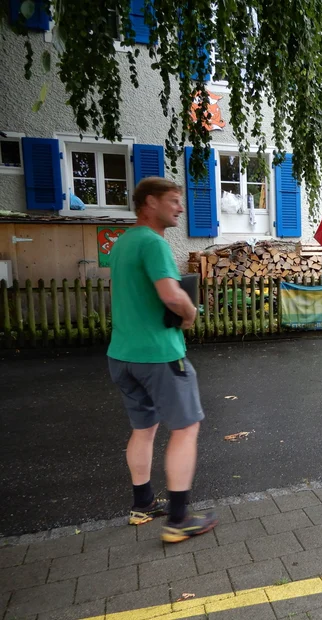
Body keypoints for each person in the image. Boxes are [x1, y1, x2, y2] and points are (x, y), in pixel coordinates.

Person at [107, 177, 217, 543]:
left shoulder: (123, 243)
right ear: (149, 203)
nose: (180, 208)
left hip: (122, 355)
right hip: (159, 356)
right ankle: (179, 519)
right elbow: (171, 295)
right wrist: (190, 313)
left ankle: (143, 505)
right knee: (185, 429)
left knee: (144, 429)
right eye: (173, 200)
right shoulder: (154, 243)